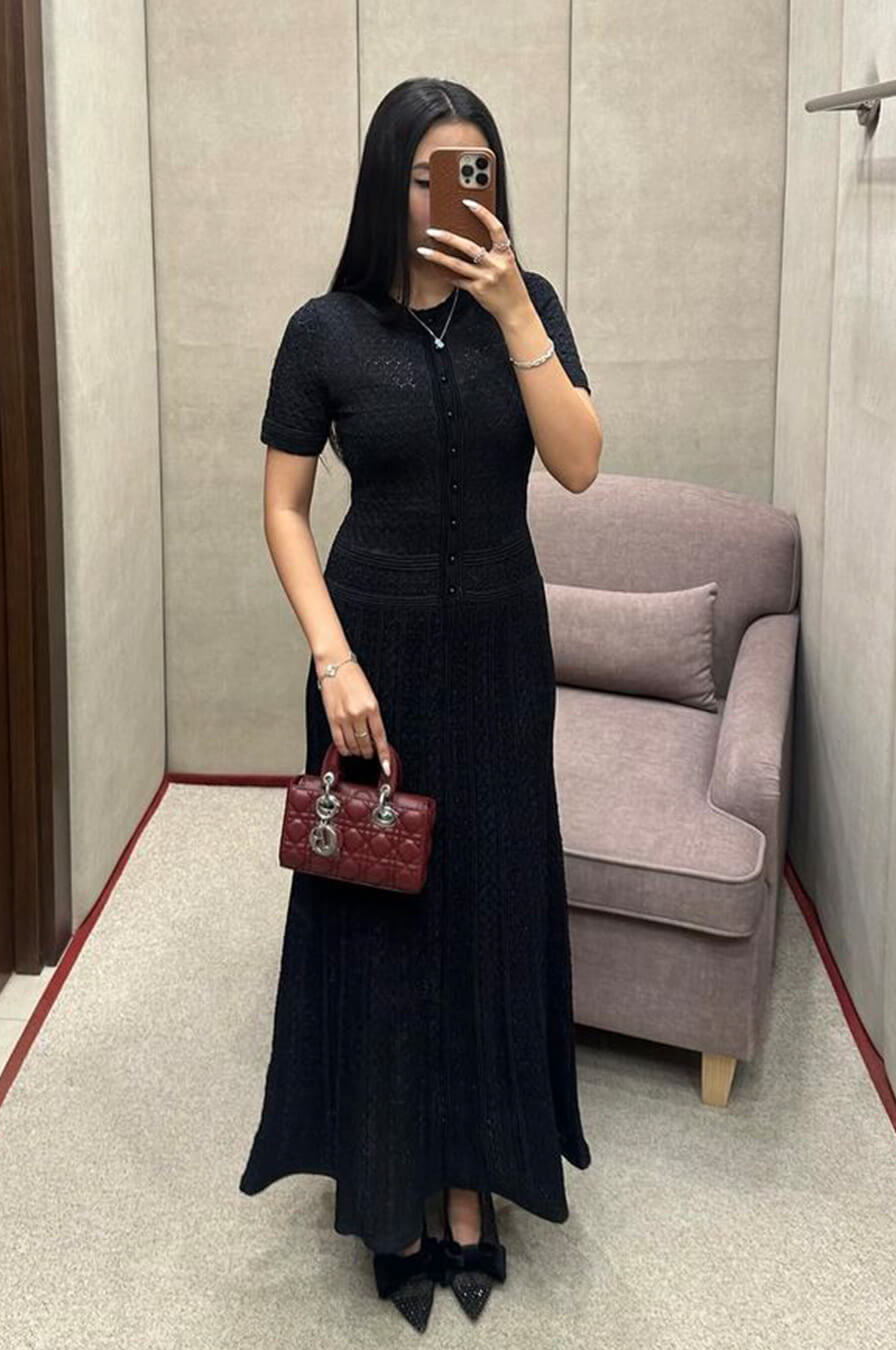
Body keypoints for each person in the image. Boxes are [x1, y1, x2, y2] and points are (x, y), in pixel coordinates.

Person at [238, 76, 602, 1331]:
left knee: (492, 903)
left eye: (476, 168)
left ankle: (467, 1183)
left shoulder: (527, 305)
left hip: (502, 653)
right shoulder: (324, 331)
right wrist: (332, 660)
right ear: (388, 185)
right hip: (372, 658)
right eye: (431, 172)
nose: (455, 193)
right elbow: (284, 507)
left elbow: (579, 462)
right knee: (379, 911)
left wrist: (515, 310)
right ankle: (390, 1191)